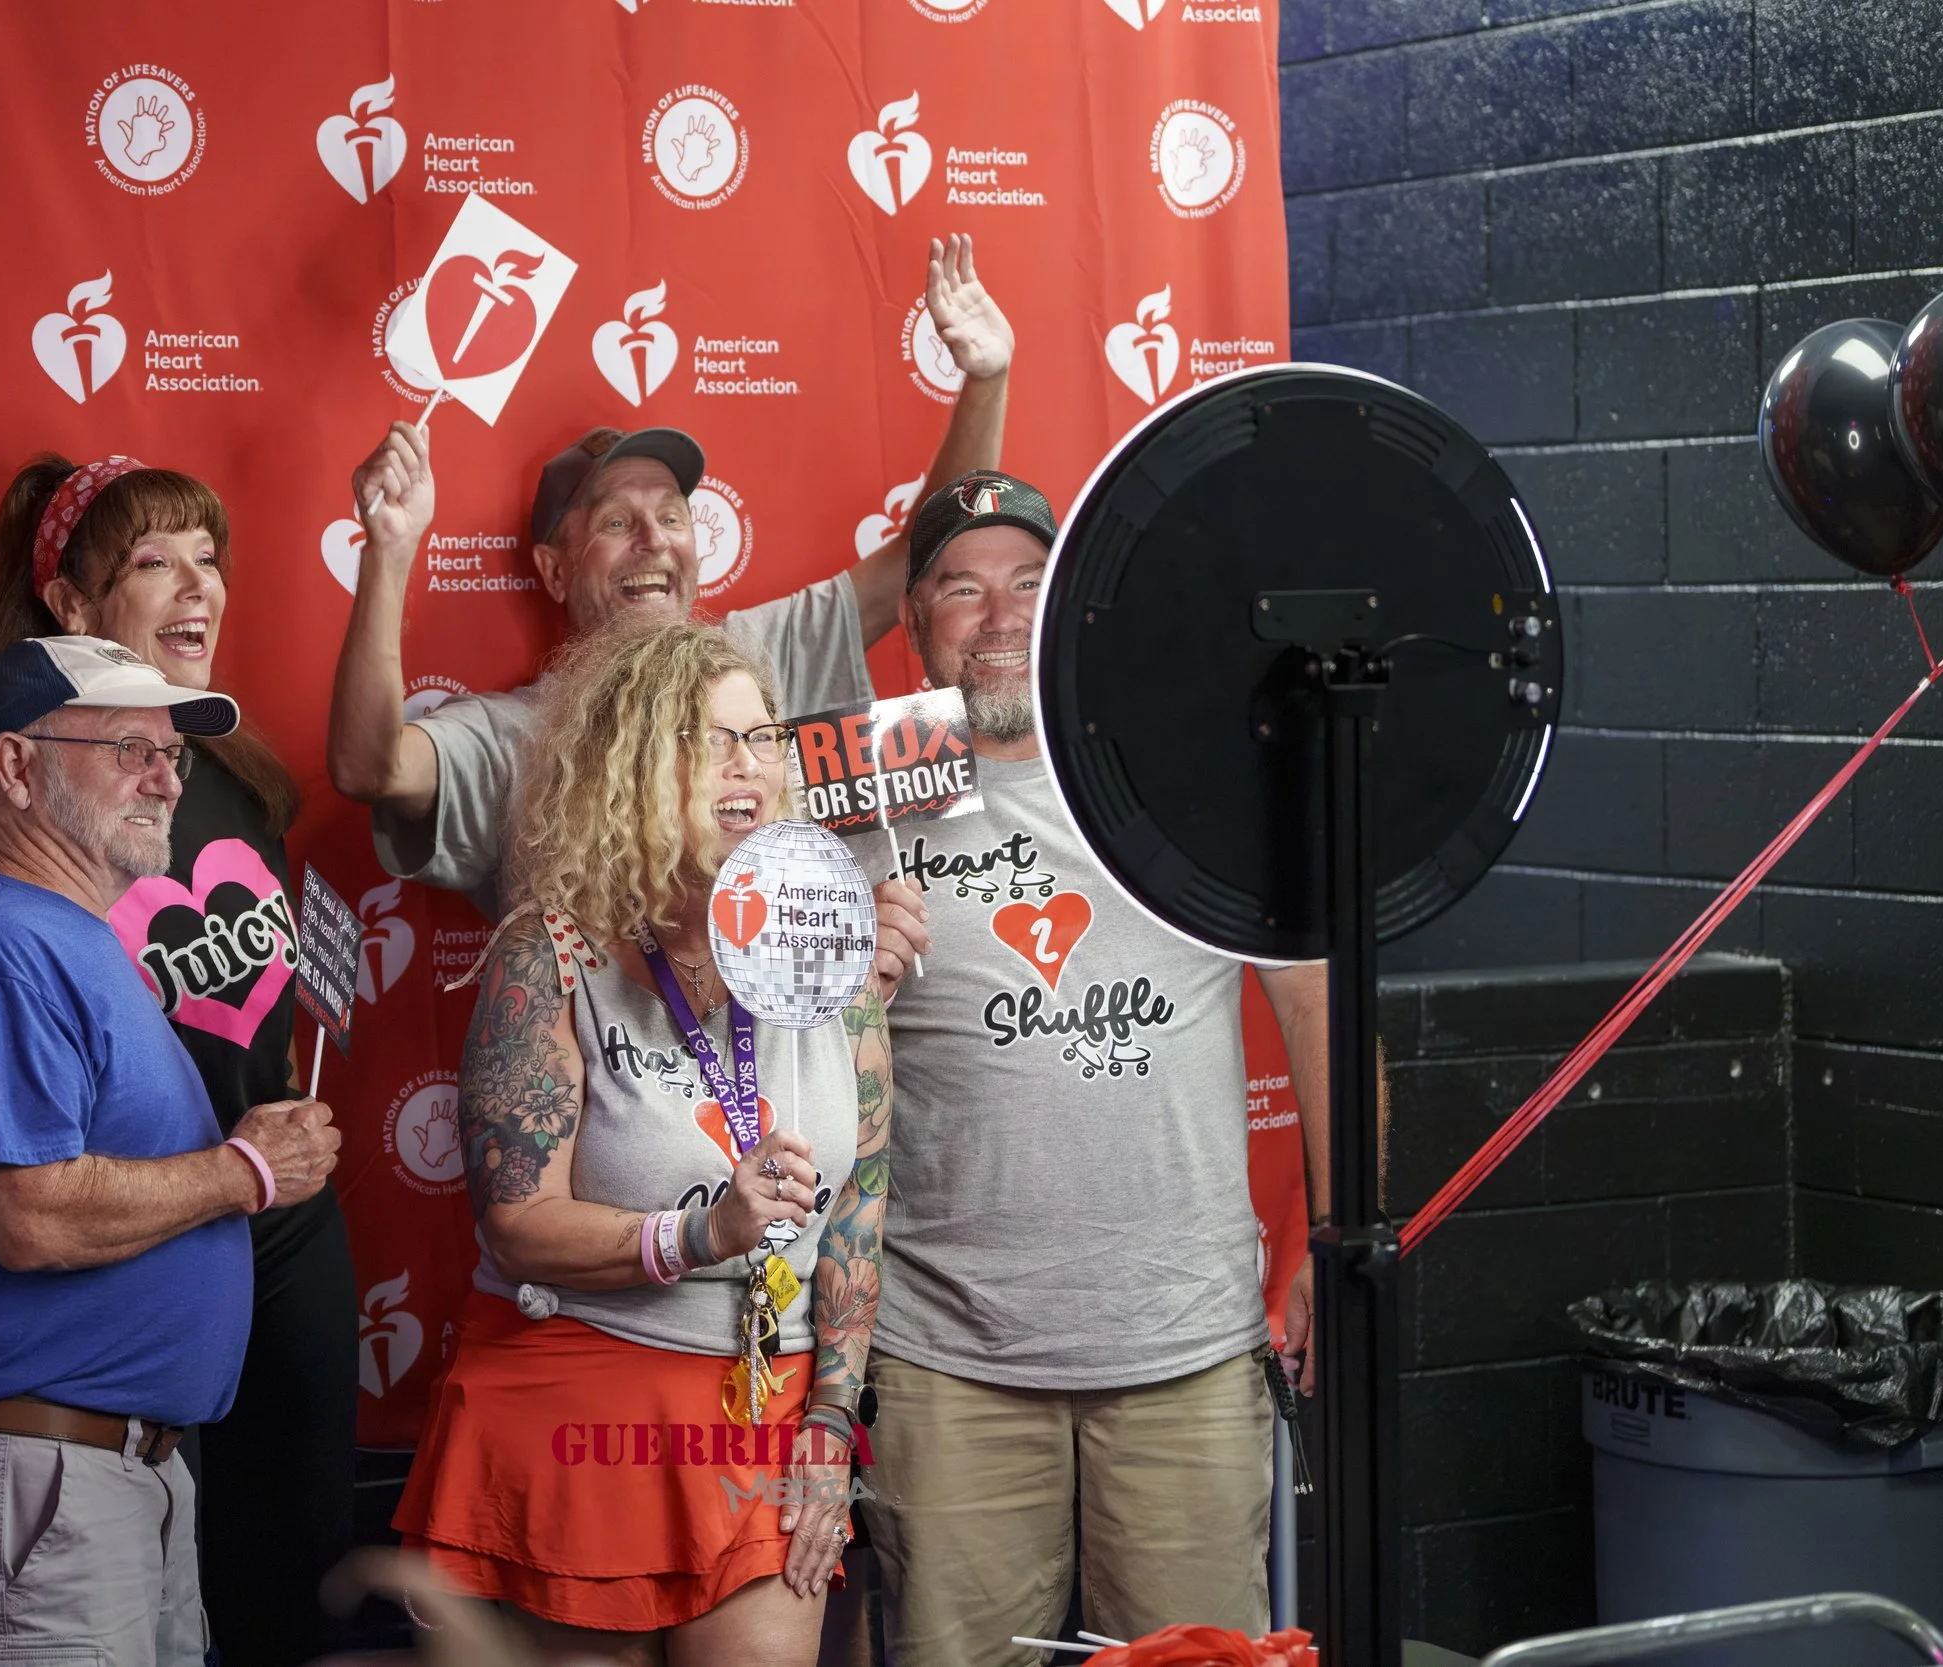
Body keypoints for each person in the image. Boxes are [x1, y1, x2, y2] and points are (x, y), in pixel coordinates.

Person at [0, 457, 353, 1662]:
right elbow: (24, 1208)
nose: (163, 774)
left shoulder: (148, 852)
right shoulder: (4, 918)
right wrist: (240, 1172)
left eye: (171, 755)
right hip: (50, 1446)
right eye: (154, 558)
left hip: (147, 1419)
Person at [849, 472, 1335, 1663]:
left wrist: (1333, 1233)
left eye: (1029, 581)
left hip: (1183, 1347)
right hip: (942, 1356)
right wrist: (844, 967)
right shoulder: (858, 805)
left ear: (1073, 606)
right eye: (962, 588)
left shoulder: (1189, 779)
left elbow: (1316, 995)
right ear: (914, 621)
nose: (999, 612)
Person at [393, 622, 895, 1667]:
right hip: (577, 1403)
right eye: (707, 740)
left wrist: (834, 1415)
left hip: (769, 1408)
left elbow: (857, 1206)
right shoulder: (552, 949)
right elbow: (518, 1224)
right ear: (630, 763)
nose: (745, 764)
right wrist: (704, 1230)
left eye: (761, 738)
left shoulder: (826, 951)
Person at [328, 235, 1015, 914]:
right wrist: (388, 551)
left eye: (673, 516)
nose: (654, 541)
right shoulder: (513, 735)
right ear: (555, 570)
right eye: (617, 523)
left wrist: (986, 380)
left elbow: (921, 555)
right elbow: (370, 766)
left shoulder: (764, 652)